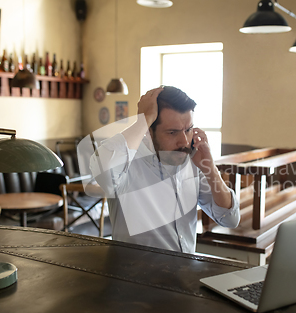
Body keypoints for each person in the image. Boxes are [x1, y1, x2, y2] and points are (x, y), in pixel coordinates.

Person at [89, 86, 240, 253]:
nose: (183, 141)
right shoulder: (127, 162)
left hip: (185, 274)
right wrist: (143, 119)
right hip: (135, 276)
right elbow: (102, 170)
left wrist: (211, 169)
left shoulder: (192, 161)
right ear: (148, 131)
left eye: (188, 129)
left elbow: (230, 219)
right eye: (172, 132)